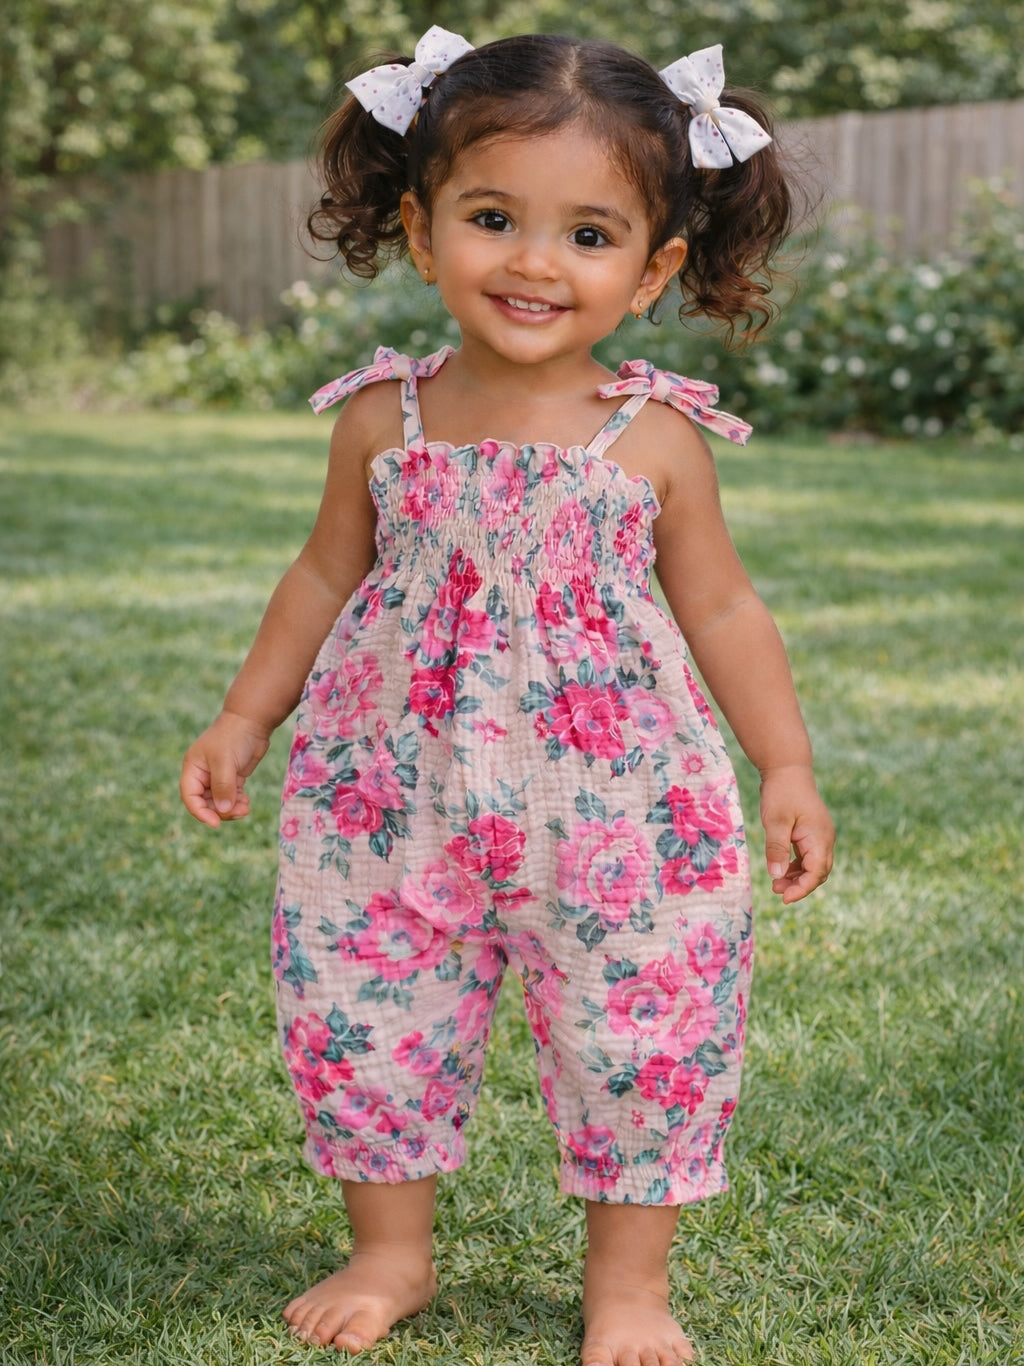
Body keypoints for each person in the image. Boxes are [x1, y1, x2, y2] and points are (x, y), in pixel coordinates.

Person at [180, 27, 834, 1366]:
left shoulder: (652, 438)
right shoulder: (384, 421)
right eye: (494, 218)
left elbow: (722, 608)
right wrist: (247, 714)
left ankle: (631, 1287)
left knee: (644, 1031)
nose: (536, 262)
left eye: (589, 235)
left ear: (652, 270)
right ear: (422, 232)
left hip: (622, 818)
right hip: (387, 802)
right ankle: (390, 1249)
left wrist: (786, 767)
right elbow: (318, 578)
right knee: (366, 1012)